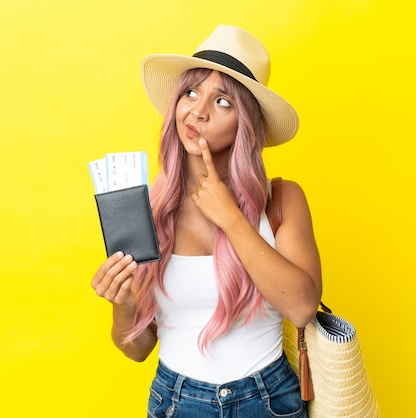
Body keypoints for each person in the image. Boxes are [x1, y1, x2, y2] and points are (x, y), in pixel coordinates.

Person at [92, 24, 322, 418]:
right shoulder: (146, 210)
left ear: (244, 125)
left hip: (269, 401)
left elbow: (302, 308)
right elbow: (137, 350)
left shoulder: (281, 200)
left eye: (223, 102)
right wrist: (124, 305)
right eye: (191, 93)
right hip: (176, 402)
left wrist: (231, 219)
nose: (198, 111)